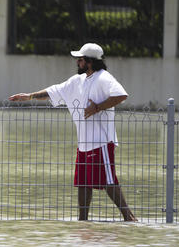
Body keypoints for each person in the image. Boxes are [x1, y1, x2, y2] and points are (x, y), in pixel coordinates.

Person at [9, 43, 137, 222]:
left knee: (108, 182)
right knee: (83, 183)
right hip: (84, 143)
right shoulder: (78, 81)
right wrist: (30, 96)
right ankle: (82, 221)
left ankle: (129, 218)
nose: (77, 62)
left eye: (81, 59)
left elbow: (121, 95)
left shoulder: (104, 78)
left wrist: (98, 107)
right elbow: (54, 91)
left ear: (90, 62)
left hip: (101, 141)